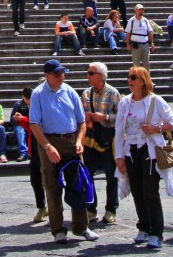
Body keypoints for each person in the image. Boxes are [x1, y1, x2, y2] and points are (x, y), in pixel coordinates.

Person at [29, 58, 98, 243]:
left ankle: (81, 226)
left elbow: (82, 121)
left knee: (78, 183)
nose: (62, 76)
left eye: (63, 72)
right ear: (47, 76)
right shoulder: (38, 94)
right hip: (49, 141)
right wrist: (47, 146)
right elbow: (34, 124)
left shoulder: (70, 91)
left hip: (71, 140)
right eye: (58, 73)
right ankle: (58, 229)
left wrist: (79, 141)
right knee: (52, 186)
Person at [114, 65, 173, 250]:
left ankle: (156, 232)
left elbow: (172, 122)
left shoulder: (155, 101)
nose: (130, 80)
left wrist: (156, 128)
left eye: (133, 77)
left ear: (143, 80)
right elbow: (119, 130)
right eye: (128, 77)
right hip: (131, 149)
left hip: (150, 150)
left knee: (150, 191)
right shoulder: (125, 102)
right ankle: (143, 227)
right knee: (137, 190)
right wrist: (119, 156)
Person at [82, 61, 120, 225]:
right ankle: (91, 209)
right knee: (88, 174)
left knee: (111, 175)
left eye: (91, 73)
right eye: (88, 73)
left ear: (101, 76)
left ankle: (111, 209)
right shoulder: (86, 93)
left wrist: (104, 117)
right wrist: (88, 119)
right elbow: (81, 115)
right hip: (90, 139)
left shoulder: (113, 93)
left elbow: (122, 118)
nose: (88, 76)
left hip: (108, 138)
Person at [12, 88, 48, 219]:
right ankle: (42, 207)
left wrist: (23, 119)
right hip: (34, 149)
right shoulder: (33, 106)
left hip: (45, 147)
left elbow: (39, 124)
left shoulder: (43, 105)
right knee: (35, 180)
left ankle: (55, 210)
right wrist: (22, 120)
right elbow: (31, 125)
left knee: (50, 180)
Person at [125, 3, 155, 70]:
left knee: (146, 63)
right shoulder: (131, 21)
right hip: (135, 45)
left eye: (142, 10)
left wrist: (152, 43)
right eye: (140, 10)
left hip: (145, 44)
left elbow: (150, 32)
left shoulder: (145, 20)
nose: (141, 11)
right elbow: (128, 33)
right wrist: (127, 44)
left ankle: (146, 79)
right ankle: (136, 79)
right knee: (136, 64)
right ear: (135, 10)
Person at [10, 88, 32, 163]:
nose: (29, 101)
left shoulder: (36, 104)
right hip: (21, 125)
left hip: (32, 125)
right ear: (23, 97)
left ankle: (31, 152)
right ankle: (23, 153)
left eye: (30, 99)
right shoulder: (18, 104)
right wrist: (17, 119)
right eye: (27, 99)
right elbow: (12, 119)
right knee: (20, 130)